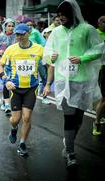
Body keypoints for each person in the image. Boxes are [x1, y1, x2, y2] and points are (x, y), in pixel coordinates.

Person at [43, 0, 103, 169]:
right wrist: (51, 57)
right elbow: (47, 51)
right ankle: (70, 152)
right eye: (58, 15)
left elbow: (98, 49)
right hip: (63, 81)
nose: (60, 18)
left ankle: (68, 140)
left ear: (72, 14)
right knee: (69, 118)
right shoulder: (56, 32)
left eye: (63, 15)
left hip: (82, 81)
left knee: (78, 118)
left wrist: (82, 58)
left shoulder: (87, 29)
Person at [0, 23, 43, 157]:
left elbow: (48, 63)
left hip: (31, 87)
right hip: (15, 88)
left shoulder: (38, 49)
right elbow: (0, 66)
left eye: (22, 34)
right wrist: (6, 80)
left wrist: (47, 83)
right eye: (17, 34)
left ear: (28, 33)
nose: (19, 36)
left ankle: (22, 143)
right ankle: (13, 129)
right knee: (15, 119)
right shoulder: (11, 49)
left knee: (27, 117)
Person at [0, 18, 16, 114]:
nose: (11, 28)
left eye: (12, 26)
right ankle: (7, 105)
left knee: (14, 84)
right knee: (6, 82)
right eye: (9, 26)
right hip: (3, 64)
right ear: (5, 27)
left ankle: (3, 100)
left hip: (14, 64)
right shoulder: (0, 37)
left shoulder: (16, 36)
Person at [93, 15, 105, 135]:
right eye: (103, 22)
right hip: (100, 69)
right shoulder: (94, 33)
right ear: (99, 22)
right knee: (103, 98)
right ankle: (97, 122)